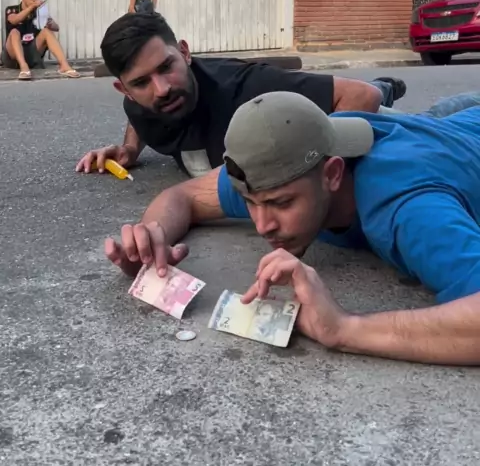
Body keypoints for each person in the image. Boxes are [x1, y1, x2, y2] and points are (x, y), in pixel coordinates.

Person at [105, 90, 480, 366]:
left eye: (281, 204)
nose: (263, 225)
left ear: (332, 174)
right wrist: (153, 234)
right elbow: (183, 196)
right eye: (251, 202)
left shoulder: (406, 208)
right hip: (449, 124)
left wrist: (344, 329)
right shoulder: (285, 165)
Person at [75, 12, 405, 178]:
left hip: (360, 104)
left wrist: (314, 175)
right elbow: (137, 113)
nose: (161, 89)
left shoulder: (247, 90)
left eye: (166, 67)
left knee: (388, 109)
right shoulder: (141, 104)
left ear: (185, 53)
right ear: (126, 90)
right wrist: (130, 149)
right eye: (141, 83)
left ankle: (387, 86)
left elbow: (359, 96)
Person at [2, 0, 80, 80]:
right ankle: (24, 67)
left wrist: (50, 24)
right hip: (12, 56)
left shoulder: (39, 11)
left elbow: (56, 28)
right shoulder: (12, 9)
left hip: (31, 52)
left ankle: (64, 66)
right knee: (14, 32)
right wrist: (31, 8)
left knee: (46, 31)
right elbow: (14, 20)